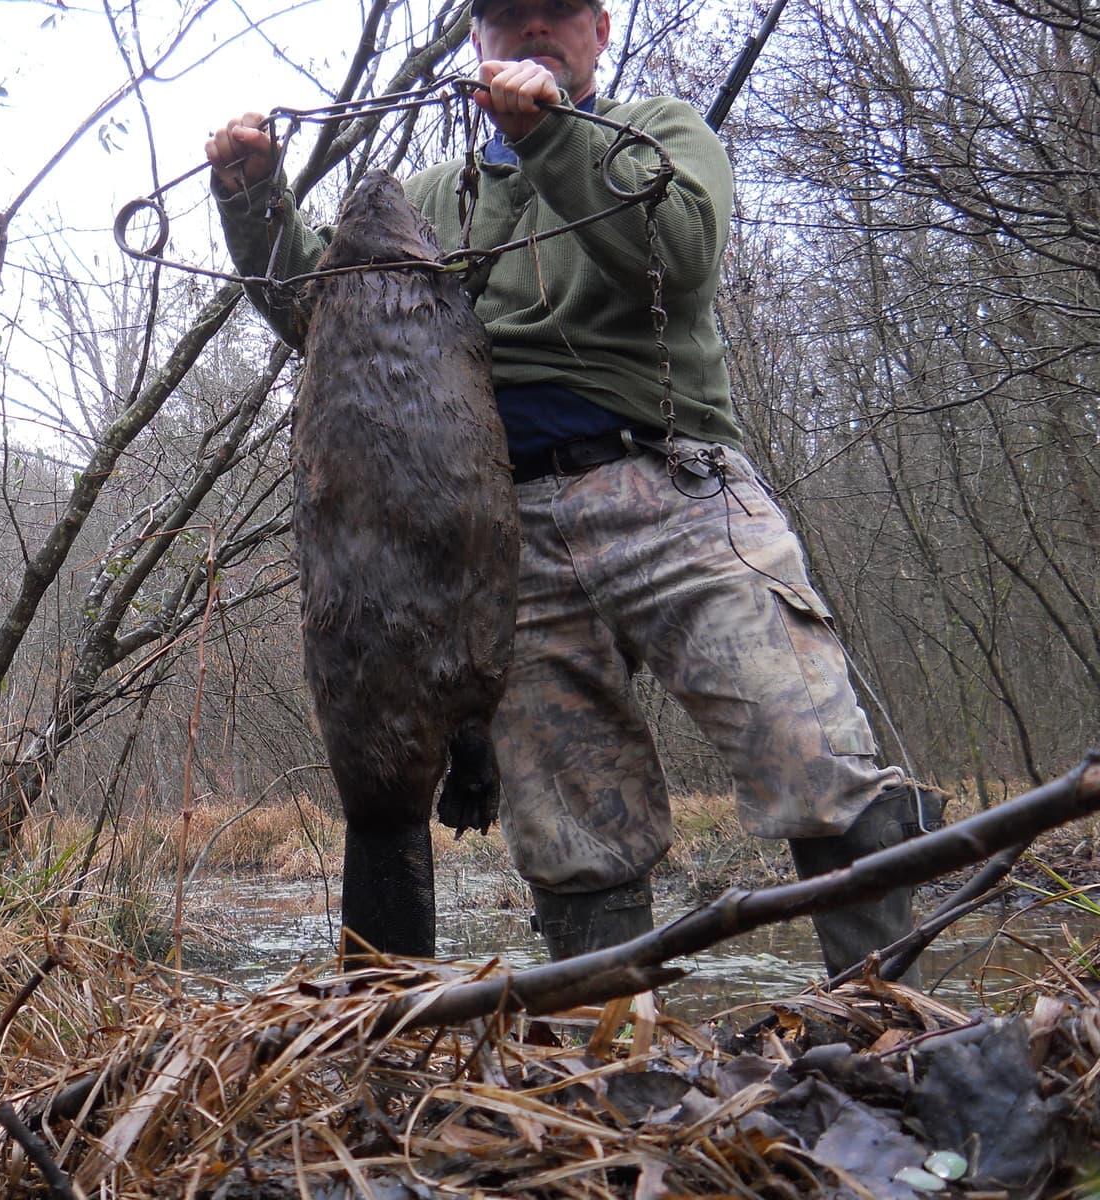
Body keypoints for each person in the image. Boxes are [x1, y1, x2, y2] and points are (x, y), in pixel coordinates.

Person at [205, 0, 943, 981]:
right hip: (508, 544)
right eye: (507, 18)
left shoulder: (664, 133)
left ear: (596, 30)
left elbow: (672, 258)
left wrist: (547, 133)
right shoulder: (427, 199)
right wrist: (254, 197)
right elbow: (324, 316)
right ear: (476, 42)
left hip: (676, 491)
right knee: (571, 826)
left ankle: (890, 1029)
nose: (531, 31)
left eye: (555, 13)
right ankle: (614, 1076)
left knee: (813, 754)